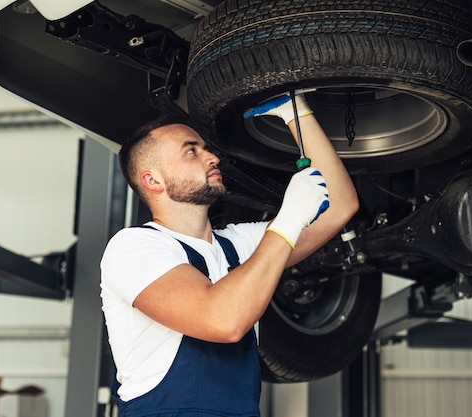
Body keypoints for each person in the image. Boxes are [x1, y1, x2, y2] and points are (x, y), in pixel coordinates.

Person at [100, 94, 359, 417]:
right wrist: (289, 220)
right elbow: (222, 320)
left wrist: (296, 114)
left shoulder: (238, 246)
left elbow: (339, 206)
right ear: (153, 180)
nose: (212, 158)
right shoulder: (133, 248)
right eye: (191, 151)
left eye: (206, 149)